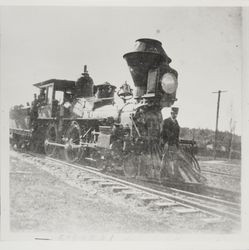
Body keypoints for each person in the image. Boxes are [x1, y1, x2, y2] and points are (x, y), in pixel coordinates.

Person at [160, 107, 180, 179]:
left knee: (174, 160)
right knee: (165, 159)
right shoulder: (166, 121)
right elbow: (162, 134)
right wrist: (165, 143)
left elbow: (177, 135)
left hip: (174, 144)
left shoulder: (176, 122)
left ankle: (174, 176)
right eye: (173, 114)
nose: (175, 115)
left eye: (176, 114)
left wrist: (177, 145)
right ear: (171, 113)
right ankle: (162, 175)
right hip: (167, 144)